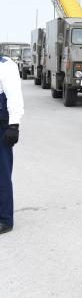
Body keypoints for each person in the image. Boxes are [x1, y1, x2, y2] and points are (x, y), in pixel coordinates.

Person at [0, 52, 24, 234]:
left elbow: (14, 96)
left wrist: (14, 125)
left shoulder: (5, 65)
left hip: (2, 124)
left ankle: (5, 219)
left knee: (2, 173)